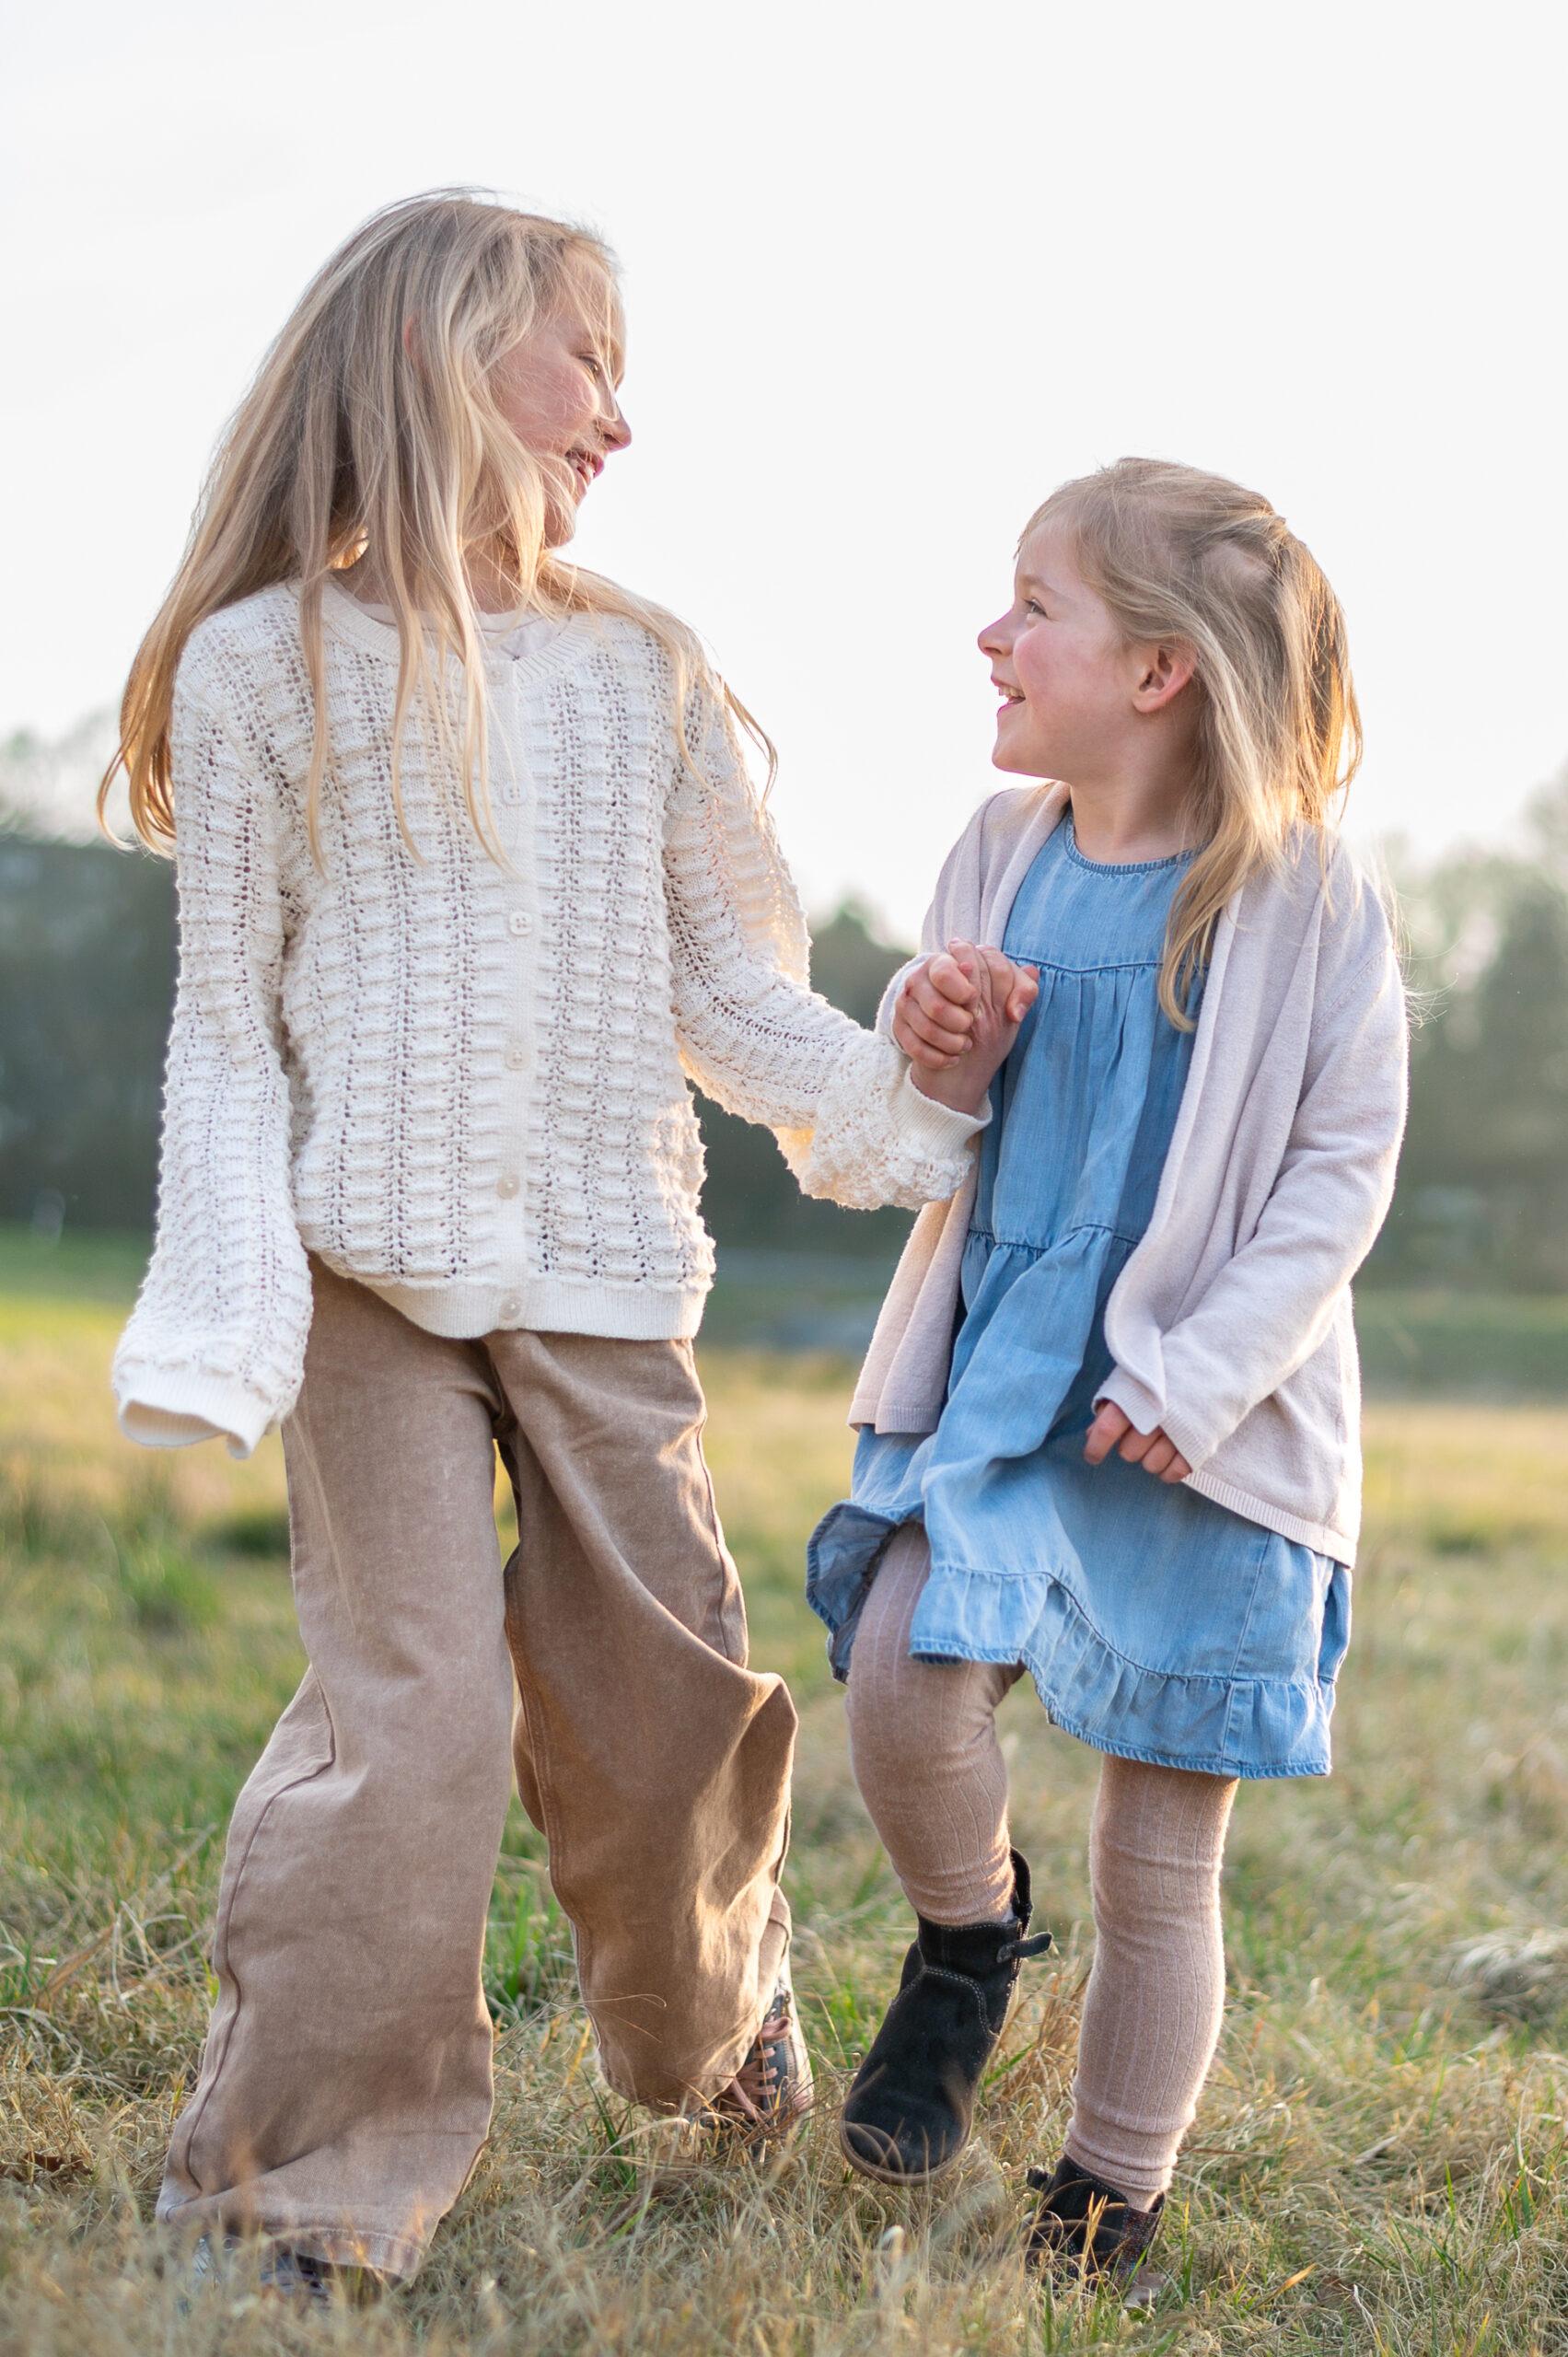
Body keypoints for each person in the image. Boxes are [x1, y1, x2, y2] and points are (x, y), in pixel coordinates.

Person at [103, 191, 1031, 2294]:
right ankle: (296, 2190)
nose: (620, 413)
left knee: (660, 1716)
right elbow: (226, 1024)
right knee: (411, 1721)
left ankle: (717, 2032)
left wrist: (911, 1073)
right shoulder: (267, 671)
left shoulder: (646, 677)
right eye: (587, 360)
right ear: (447, 355)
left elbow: (731, 988)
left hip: (607, 1270)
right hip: (365, 1281)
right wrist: (229, 1308)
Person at [807, 458, 1407, 2285]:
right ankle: (972, 1934)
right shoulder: (1001, 851)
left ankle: (1109, 2194)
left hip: (1201, 1435)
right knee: (905, 1676)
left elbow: (1339, 1171)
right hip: (1003, 1384)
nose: (993, 634)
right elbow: (937, 1127)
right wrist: (938, 1041)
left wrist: (1209, 1373)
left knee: (1162, 1851)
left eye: (1032, 603)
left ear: (1156, 669)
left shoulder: (1306, 895)